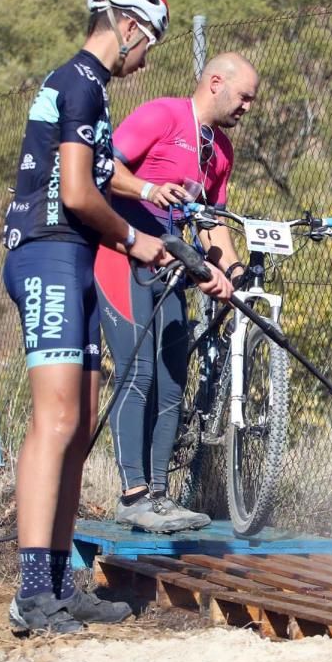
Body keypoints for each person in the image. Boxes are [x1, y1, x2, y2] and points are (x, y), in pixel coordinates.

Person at [1, 0, 176, 635]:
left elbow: (98, 170)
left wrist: (147, 193)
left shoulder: (89, 89)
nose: (146, 56)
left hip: (71, 256)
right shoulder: (79, 82)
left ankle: (58, 580)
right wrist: (134, 239)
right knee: (56, 421)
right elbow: (75, 192)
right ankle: (31, 593)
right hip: (47, 252)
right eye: (148, 42)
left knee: (80, 422)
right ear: (127, 25)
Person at [95, 52, 258, 533]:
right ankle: (133, 495)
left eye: (252, 99)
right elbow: (103, 168)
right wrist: (147, 190)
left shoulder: (222, 150)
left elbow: (211, 226)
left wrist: (231, 271)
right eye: (243, 96)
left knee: (171, 381)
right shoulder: (163, 115)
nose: (248, 106)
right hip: (120, 256)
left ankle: (160, 497)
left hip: (170, 268)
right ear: (215, 83)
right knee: (137, 374)